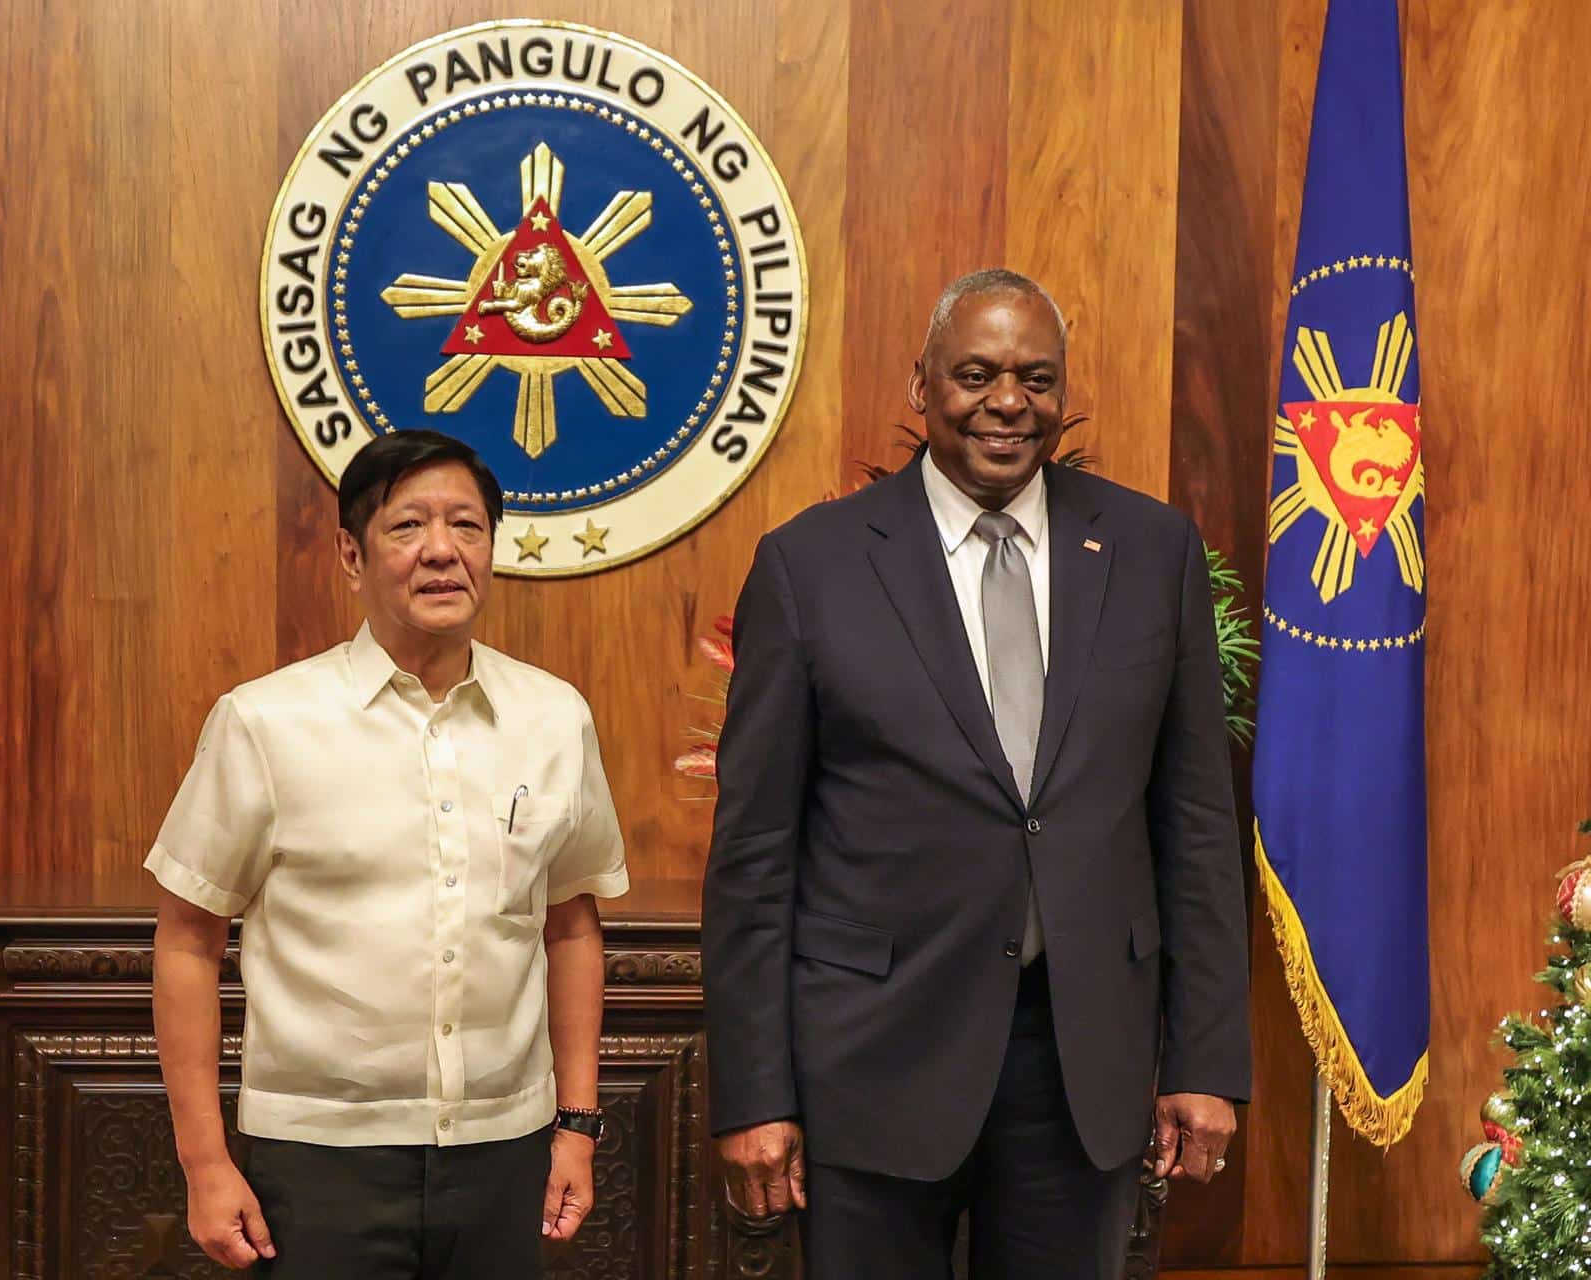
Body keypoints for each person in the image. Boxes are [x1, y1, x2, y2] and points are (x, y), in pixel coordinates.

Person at [701, 269, 1251, 1278]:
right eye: (978, 373)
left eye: (1036, 378)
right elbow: (755, 854)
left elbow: (1198, 825)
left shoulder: (1150, 549)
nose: (1009, 401)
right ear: (922, 387)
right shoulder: (811, 564)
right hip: (872, 1056)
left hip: (1082, 1059)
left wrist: (1207, 1059)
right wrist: (754, 1091)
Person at [147, 430, 629, 1277]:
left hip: (506, 1151)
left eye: (468, 527)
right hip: (318, 1161)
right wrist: (205, 1161)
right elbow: (188, 942)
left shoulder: (556, 718)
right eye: (408, 526)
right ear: (351, 554)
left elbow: (571, 927)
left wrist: (577, 1127)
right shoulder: (264, 723)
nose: (443, 551)